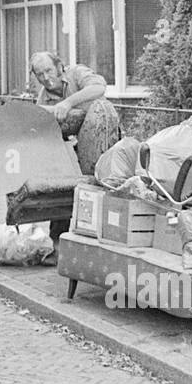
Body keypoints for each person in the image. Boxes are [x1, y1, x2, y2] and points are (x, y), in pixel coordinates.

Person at [30, 51, 121, 248]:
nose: (46, 78)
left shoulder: (77, 73)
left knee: (105, 189)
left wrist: (68, 103)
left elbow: (99, 87)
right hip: (72, 148)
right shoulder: (43, 98)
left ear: (58, 67)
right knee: (67, 187)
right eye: (40, 74)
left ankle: (104, 240)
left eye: (48, 70)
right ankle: (59, 242)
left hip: (102, 141)